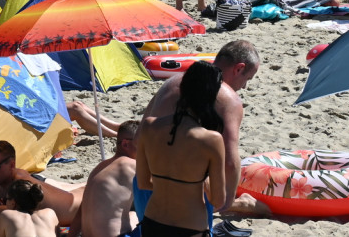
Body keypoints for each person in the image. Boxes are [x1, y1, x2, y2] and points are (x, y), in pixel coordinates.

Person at [136, 41, 260, 228]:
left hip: (150, 193)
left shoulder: (171, 82)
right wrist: (227, 201)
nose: (243, 87)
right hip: (189, 196)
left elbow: (138, 141)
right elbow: (229, 161)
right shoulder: (228, 100)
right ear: (239, 68)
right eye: (247, 79)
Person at [136, 62, 226, 237]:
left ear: (183, 89)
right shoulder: (211, 140)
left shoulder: (149, 126)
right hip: (190, 226)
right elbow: (218, 200)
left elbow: (143, 183)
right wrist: (199, 183)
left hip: (152, 221)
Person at [0, 141, 84, 227]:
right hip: (71, 199)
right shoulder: (3, 179)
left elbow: (15, 211)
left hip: (79, 207)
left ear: (11, 165)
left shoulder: (20, 183)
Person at [70, 120, 140, 237]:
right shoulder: (131, 165)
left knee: (132, 215)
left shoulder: (100, 167)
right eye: (143, 143)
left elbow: (81, 212)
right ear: (125, 144)